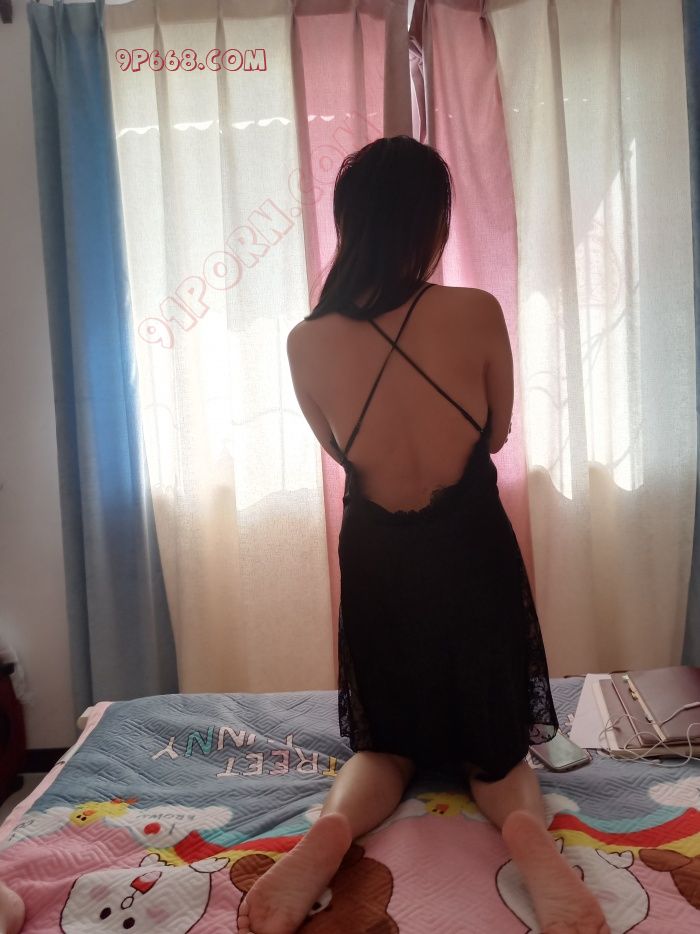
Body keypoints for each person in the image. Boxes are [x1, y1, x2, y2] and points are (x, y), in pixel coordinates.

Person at [238, 136, 609, 934]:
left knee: (384, 750)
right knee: (497, 753)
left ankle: (331, 833)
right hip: (470, 552)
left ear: (350, 224)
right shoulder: (475, 312)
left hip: (378, 561)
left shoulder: (305, 342)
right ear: (432, 224)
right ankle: (529, 843)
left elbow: (339, 450)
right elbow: (496, 433)